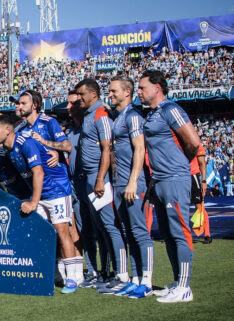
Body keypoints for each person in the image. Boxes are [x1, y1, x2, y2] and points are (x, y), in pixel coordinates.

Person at [0, 114, 79, 294]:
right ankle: (51, 274)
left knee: (62, 232)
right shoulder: (9, 148)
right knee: (45, 234)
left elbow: (38, 173)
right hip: (41, 194)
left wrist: (33, 202)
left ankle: (73, 278)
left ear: (8, 130)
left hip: (56, 190)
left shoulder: (25, 143)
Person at [139, 70, 201, 303]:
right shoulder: (152, 115)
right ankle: (177, 281)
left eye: (143, 87)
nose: (140, 92)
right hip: (160, 180)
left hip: (174, 178)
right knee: (167, 233)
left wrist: (178, 165)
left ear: (157, 87)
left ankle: (185, 287)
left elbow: (193, 142)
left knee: (179, 231)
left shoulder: (171, 109)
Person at [75, 78, 128, 290]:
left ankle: (122, 274)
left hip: (100, 179)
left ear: (93, 95)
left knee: (110, 226)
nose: (79, 98)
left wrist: (100, 179)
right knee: (100, 228)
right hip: (90, 178)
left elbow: (107, 148)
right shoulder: (89, 115)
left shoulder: (100, 114)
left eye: (82, 94)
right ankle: (107, 273)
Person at [108, 75, 154, 298]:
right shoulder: (119, 117)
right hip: (119, 184)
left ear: (127, 92)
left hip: (132, 184)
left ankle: (147, 280)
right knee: (128, 233)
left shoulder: (133, 115)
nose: (110, 94)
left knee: (140, 232)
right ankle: (135, 278)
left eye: (114, 91)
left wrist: (133, 181)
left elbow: (140, 148)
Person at [64, 90, 99, 288]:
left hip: (92, 182)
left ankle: (109, 271)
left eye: (72, 104)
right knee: (82, 230)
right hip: (75, 184)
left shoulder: (90, 126)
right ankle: (93, 270)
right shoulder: (69, 131)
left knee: (101, 229)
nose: (69, 107)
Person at [12, 90, 71, 166]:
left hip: (57, 174)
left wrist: (44, 142)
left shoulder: (48, 122)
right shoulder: (20, 129)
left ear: (35, 105)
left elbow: (67, 146)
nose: (19, 107)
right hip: (39, 175)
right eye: (19, 103)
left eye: (23, 103)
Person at [189, 145, 212, 244]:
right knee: (180, 206)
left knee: (199, 206)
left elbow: (202, 163)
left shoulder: (197, 145)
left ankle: (207, 234)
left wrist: (203, 181)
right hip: (181, 176)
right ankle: (182, 234)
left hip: (193, 176)